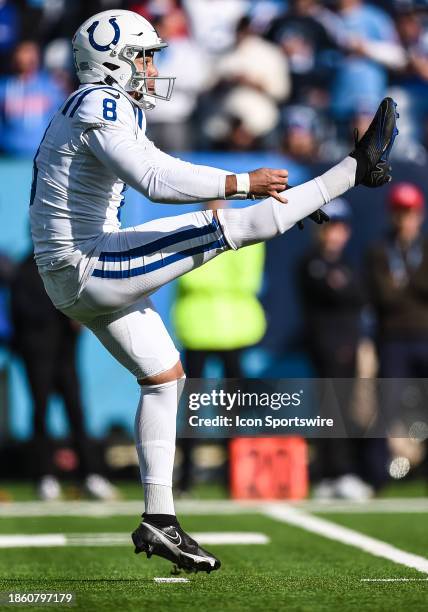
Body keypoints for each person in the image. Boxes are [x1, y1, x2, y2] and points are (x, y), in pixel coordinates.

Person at [29, 8, 398, 573]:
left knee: (163, 379)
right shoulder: (97, 103)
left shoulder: (100, 105)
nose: (152, 68)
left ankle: (161, 519)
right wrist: (242, 181)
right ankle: (354, 171)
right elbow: (152, 177)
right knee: (230, 226)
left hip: (80, 263)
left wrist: (252, 191)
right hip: (87, 262)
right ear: (112, 61)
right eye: (143, 56)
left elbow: (153, 172)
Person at [172, 200, 266, 493]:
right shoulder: (191, 233)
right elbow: (188, 277)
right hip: (198, 330)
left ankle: (234, 476)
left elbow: (248, 280)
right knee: (191, 409)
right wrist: (223, 274)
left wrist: (208, 273)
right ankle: (186, 476)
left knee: (234, 409)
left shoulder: (242, 232)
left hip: (232, 331)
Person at [10, 253, 119, 501]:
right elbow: (19, 314)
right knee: (40, 413)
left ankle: (91, 476)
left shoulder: (65, 266)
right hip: (37, 355)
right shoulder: (25, 270)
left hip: (65, 354)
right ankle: (45, 478)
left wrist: (76, 319)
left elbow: (81, 305)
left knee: (77, 414)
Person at [298, 199, 372, 500]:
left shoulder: (347, 264)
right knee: (331, 409)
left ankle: (336, 471)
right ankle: (335, 473)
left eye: (340, 227)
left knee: (343, 408)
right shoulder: (311, 262)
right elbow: (332, 295)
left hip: (348, 344)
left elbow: (356, 295)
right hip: (326, 347)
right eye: (330, 226)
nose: (335, 233)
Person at [0, 40, 66, 157]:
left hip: (42, 156)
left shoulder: (51, 86)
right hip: (8, 155)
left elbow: (62, 121)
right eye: (23, 52)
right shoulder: (4, 86)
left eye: (32, 53)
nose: (28, 57)